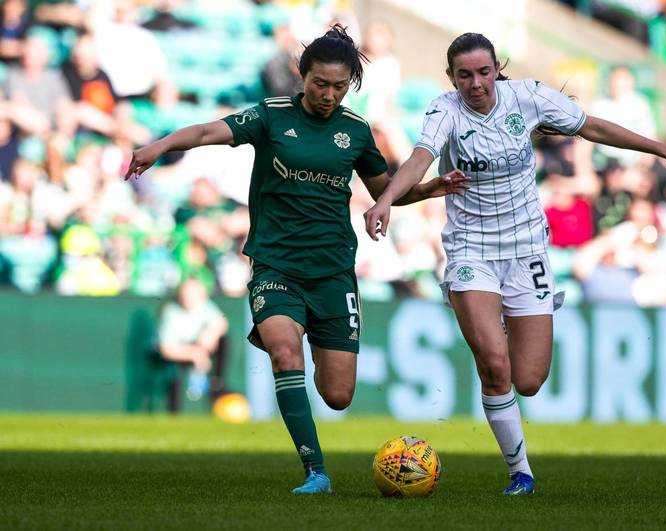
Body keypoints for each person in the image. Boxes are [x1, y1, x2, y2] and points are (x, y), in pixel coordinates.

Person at [125, 25, 467, 495]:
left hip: (333, 272)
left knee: (337, 394)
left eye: (339, 86)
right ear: (302, 76)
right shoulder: (270, 116)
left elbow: (385, 191)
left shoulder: (355, 130)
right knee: (285, 354)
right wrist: (160, 145)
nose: (328, 95)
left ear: (351, 85)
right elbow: (208, 129)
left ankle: (311, 349)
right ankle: (315, 472)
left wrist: (431, 188)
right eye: (319, 84)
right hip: (275, 266)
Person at [364, 32, 666, 496]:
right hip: (471, 250)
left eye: (484, 72)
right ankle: (520, 472)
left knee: (528, 380)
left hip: (527, 252)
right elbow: (419, 160)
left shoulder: (529, 97)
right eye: (464, 75)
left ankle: (504, 335)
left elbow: (593, 127)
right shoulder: (444, 110)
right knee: (494, 362)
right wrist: (386, 199)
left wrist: (663, 150)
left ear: (497, 68)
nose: (476, 83)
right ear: (452, 77)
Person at [157, 275, 229, 411]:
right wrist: (194, 354)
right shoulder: (170, 312)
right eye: (185, 293)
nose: (188, 297)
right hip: (178, 356)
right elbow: (166, 349)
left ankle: (217, 383)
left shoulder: (205, 306)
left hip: (201, 351)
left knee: (224, 339)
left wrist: (210, 334)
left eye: (193, 294)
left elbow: (222, 323)